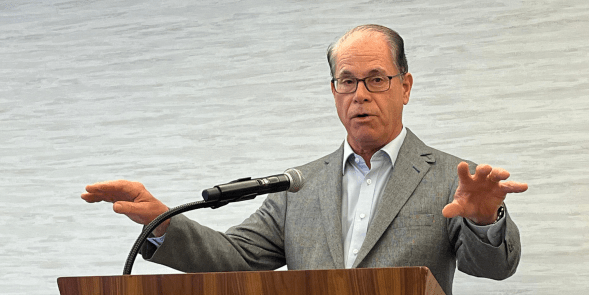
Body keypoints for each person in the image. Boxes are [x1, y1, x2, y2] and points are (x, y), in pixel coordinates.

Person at [82, 24, 528, 295]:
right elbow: (235, 258)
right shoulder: (298, 185)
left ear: (405, 87)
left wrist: (486, 218)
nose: (360, 95)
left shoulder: (451, 179)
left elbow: (493, 269)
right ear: (333, 91)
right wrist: (164, 221)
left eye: (376, 79)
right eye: (346, 81)